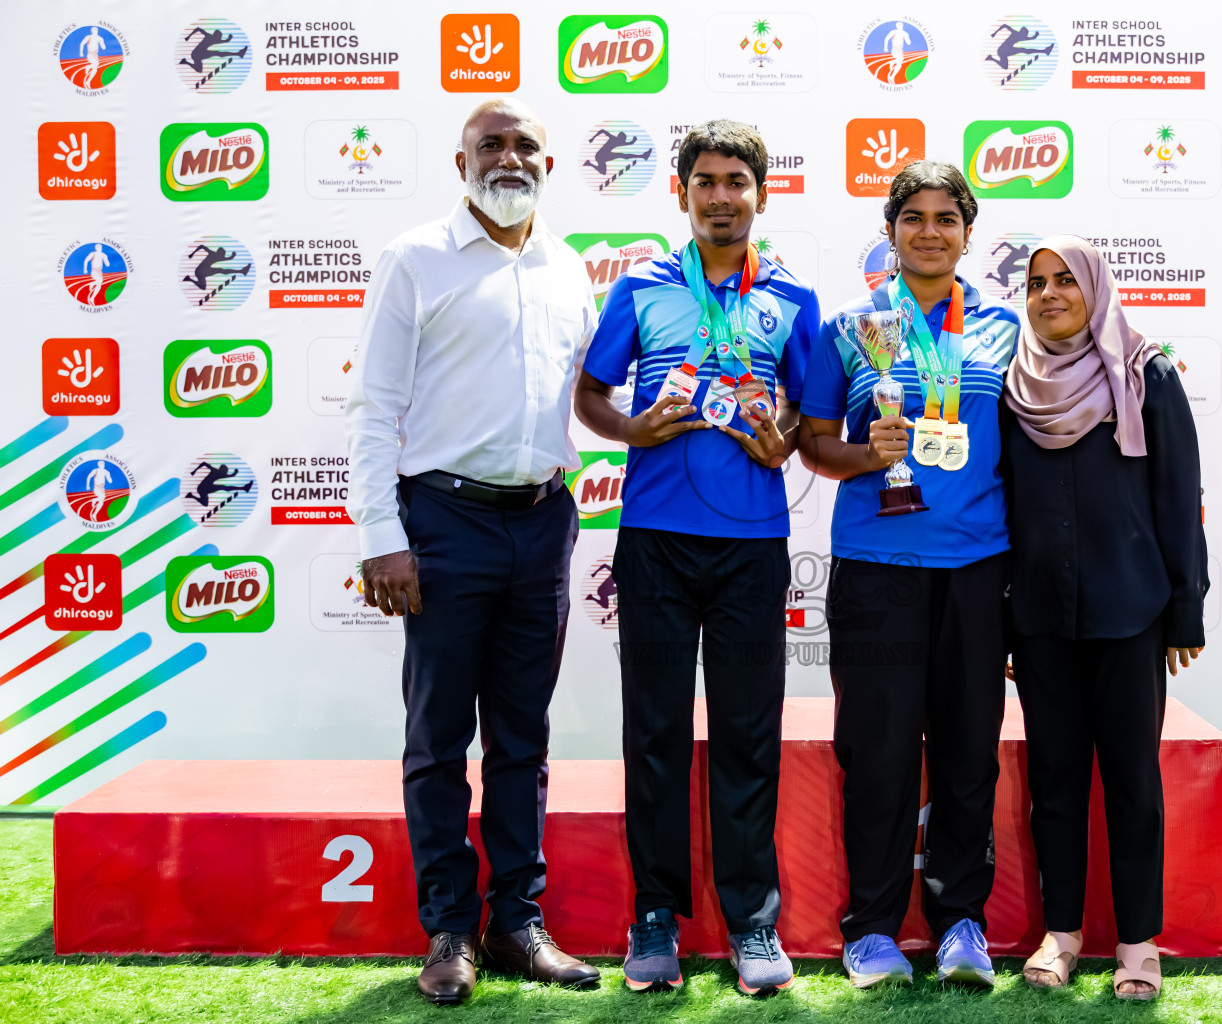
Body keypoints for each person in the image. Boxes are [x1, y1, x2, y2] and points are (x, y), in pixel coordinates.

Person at [345, 99, 601, 1005]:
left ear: (550, 163)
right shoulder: (414, 258)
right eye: (490, 144)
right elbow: (374, 406)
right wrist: (382, 538)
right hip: (442, 523)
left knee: (523, 741)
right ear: (462, 165)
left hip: (543, 521)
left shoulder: (571, 269)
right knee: (438, 737)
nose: (508, 156)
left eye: (524, 144)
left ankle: (518, 924)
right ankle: (450, 930)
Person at [573, 119, 819, 997]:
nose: (722, 197)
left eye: (737, 182)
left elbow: (811, 411)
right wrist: (629, 429)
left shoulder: (793, 295)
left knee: (750, 737)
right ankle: (654, 918)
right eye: (706, 181)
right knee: (656, 735)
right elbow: (592, 393)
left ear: (761, 192)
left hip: (753, 546)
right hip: (655, 542)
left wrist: (782, 441)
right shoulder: (640, 286)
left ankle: (755, 921)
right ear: (681, 192)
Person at [799, 161, 1018, 989]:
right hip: (878, 567)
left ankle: (962, 922)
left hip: (976, 568)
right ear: (890, 229)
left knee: (969, 755)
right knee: (880, 755)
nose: (930, 232)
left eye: (946, 219)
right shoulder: (850, 327)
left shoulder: (1002, 326)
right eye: (913, 217)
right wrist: (867, 454)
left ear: (968, 232)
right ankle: (872, 932)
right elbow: (814, 443)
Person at [1001, 236, 1208, 1001]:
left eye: (1065, 281)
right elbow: (1003, 508)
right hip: (1041, 619)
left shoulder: (1145, 373)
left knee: (1130, 782)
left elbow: (1179, 496)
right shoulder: (1013, 388)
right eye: (1035, 283)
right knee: (1054, 780)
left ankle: (1138, 943)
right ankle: (1062, 935)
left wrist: (1185, 607)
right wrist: (1005, 617)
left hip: (1132, 613)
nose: (1050, 294)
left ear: (1096, 287)